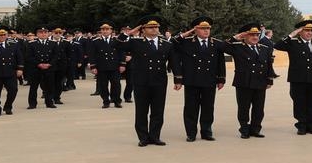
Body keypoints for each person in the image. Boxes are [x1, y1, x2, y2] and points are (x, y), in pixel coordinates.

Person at [114, 15, 176, 147]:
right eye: (151, 27)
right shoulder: (135, 42)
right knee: (141, 110)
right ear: (143, 29)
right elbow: (116, 44)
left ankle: (155, 136)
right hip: (141, 81)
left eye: (156, 27)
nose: (155, 29)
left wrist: (178, 79)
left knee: (158, 111)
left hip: (159, 81)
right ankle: (143, 137)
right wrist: (129, 33)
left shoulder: (166, 44)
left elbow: (173, 62)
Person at [172, 16, 226, 142]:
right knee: (191, 108)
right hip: (192, 80)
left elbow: (220, 62)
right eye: (202, 29)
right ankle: (191, 133)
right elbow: (173, 42)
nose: (206, 31)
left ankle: (206, 132)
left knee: (208, 107)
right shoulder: (187, 42)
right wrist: (189, 32)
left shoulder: (216, 43)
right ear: (196, 30)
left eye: (207, 28)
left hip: (209, 80)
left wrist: (221, 79)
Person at [274, 20, 312, 135]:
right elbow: (277, 45)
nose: (309, 33)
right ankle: (301, 125)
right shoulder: (293, 43)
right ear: (300, 31)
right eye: (306, 30)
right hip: (298, 78)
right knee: (299, 102)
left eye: (311, 30)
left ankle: (311, 125)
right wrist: (292, 34)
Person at [222, 23, 275, 139]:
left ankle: (256, 129)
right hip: (244, 82)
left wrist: (270, 80)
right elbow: (222, 47)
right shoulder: (238, 47)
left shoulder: (264, 48)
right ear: (245, 36)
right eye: (251, 35)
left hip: (260, 82)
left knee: (259, 109)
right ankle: (244, 129)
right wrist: (236, 37)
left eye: (256, 34)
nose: (255, 37)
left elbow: (268, 65)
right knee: (244, 108)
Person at [89, 22, 124, 108]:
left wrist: (122, 64)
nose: (105, 31)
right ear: (101, 31)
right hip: (102, 67)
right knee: (103, 85)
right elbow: (92, 54)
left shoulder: (116, 40)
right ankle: (106, 101)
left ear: (111, 31)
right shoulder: (95, 41)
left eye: (107, 29)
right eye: (103, 29)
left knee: (116, 84)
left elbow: (121, 53)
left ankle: (116, 100)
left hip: (114, 66)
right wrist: (93, 66)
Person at [25, 26, 59, 109]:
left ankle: (49, 102)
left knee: (49, 86)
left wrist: (49, 64)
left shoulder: (53, 43)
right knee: (34, 87)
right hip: (36, 68)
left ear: (48, 33)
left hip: (49, 68)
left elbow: (56, 56)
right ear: (37, 34)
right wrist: (38, 64)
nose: (43, 34)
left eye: (45, 32)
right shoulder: (31, 44)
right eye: (41, 32)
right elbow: (29, 56)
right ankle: (32, 103)